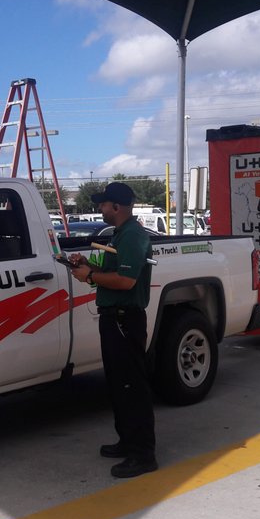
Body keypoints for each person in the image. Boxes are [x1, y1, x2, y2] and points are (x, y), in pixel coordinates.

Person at [68, 182, 156, 478]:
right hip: (114, 319)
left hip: (124, 320)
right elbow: (112, 273)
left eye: (103, 204)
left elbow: (126, 281)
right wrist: (87, 267)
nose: (100, 208)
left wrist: (90, 276)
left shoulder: (132, 235)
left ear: (116, 207)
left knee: (132, 387)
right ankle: (128, 441)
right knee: (120, 385)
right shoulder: (120, 233)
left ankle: (143, 455)